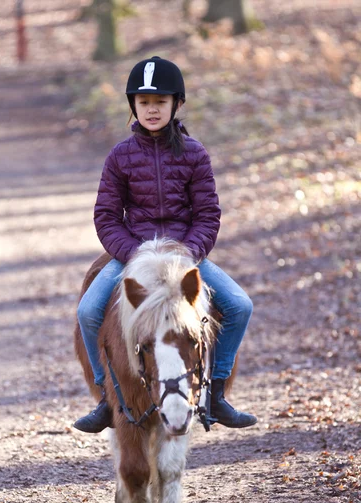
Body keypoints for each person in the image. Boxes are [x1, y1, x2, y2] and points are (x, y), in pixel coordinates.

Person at [74, 56, 257, 433]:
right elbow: (107, 216)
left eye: (160, 102)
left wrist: (188, 253)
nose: (152, 110)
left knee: (239, 305)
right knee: (89, 311)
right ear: (133, 107)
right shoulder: (119, 157)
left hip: (185, 256)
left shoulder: (194, 154)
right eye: (144, 103)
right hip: (132, 254)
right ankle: (105, 400)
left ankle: (216, 394)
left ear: (177, 104)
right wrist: (133, 255)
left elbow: (208, 214)